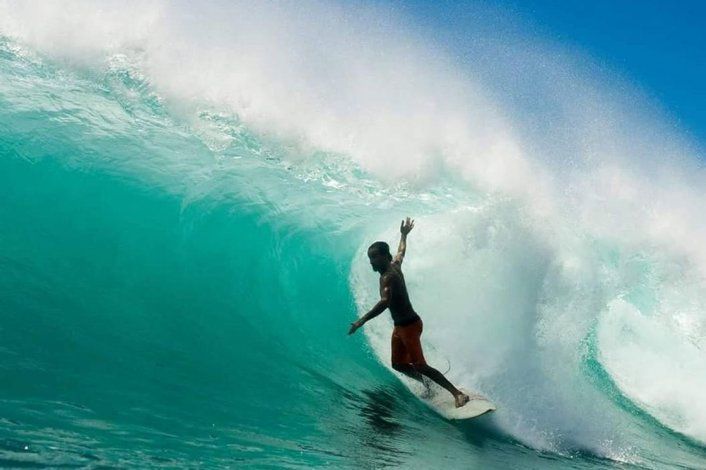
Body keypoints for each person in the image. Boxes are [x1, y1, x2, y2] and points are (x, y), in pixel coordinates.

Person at [348, 217, 470, 408]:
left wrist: (360, 321)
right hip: (400, 327)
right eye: (370, 257)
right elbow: (401, 252)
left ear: (384, 256)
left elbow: (384, 302)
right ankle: (429, 385)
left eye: (375, 257)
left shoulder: (387, 277)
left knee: (420, 365)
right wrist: (404, 235)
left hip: (409, 326)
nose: (371, 261)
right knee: (398, 365)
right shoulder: (395, 265)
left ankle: (458, 394)